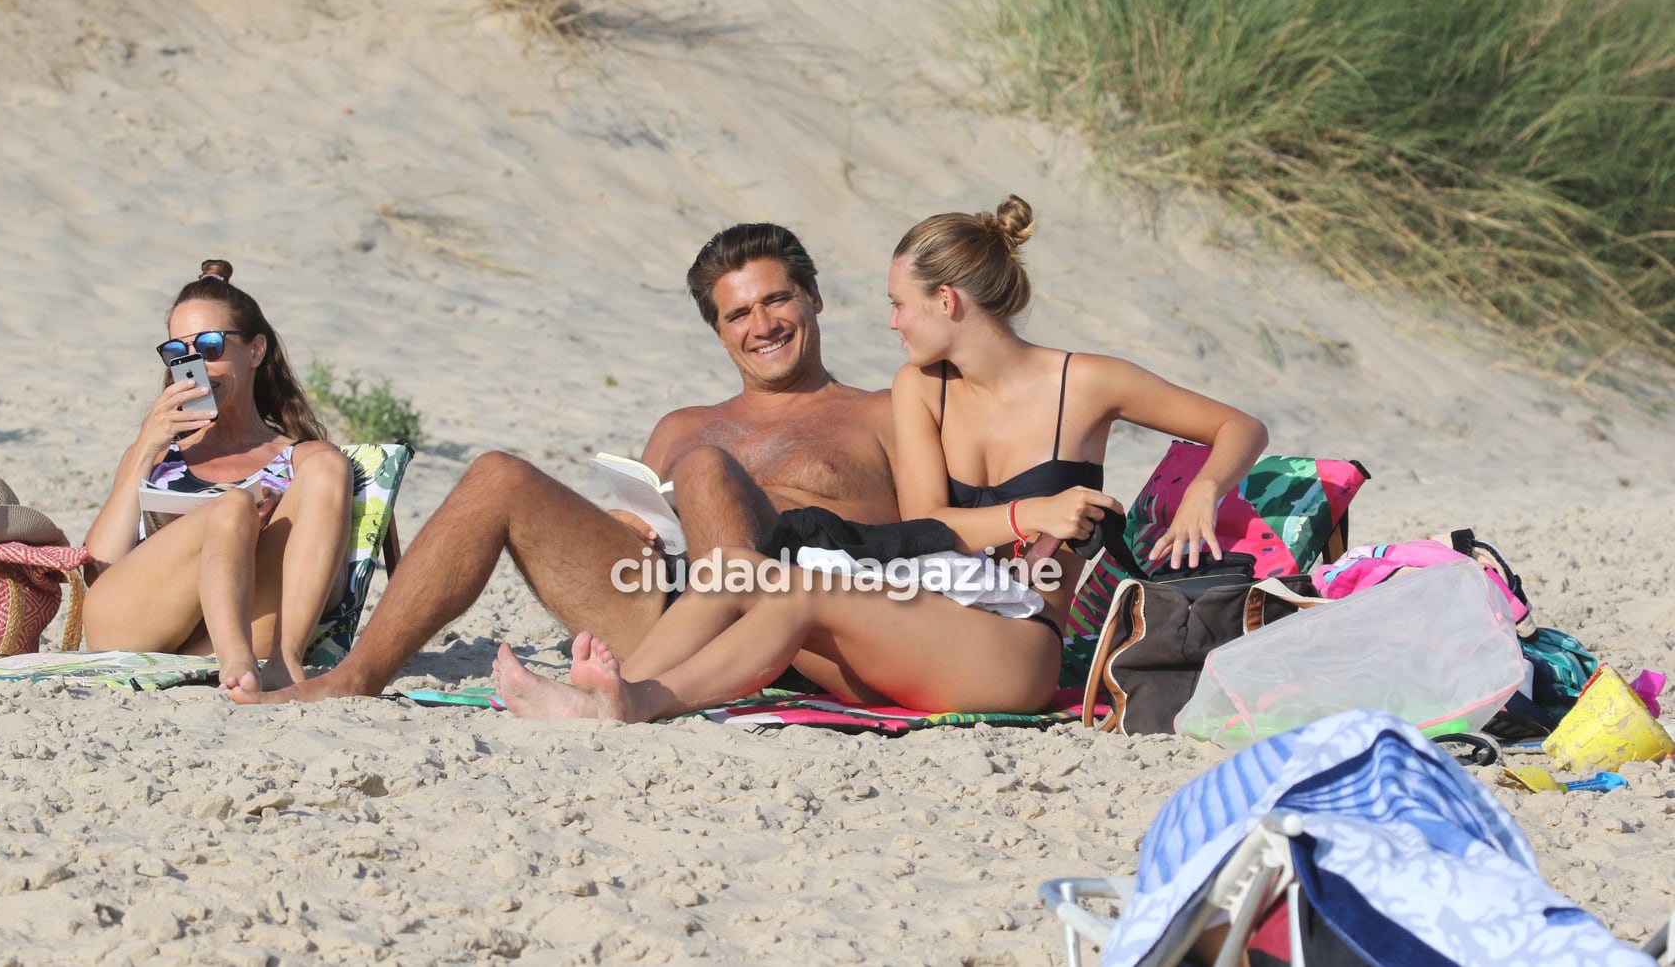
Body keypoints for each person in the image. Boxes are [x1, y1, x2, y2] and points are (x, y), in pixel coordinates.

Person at [491, 195, 1268, 722]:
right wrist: (1026, 513)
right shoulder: (920, 389)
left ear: (949, 302)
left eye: (901, 303)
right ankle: (608, 693)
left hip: (1018, 644)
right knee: (738, 570)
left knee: (801, 594)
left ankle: (639, 703)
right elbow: (926, 526)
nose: (891, 321)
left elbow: (1237, 424)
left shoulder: (1086, 381)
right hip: (931, 611)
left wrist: (1204, 491)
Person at [239, 223, 898, 704]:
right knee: (497, 474)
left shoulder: (881, 414)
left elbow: (938, 542)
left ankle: (661, 687)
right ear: (719, 329)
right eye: (739, 313)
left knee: (704, 469)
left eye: (777, 300)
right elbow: (638, 533)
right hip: (678, 624)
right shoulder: (684, 426)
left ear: (813, 295)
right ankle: (356, 675)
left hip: (809, 628)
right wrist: (629, 523)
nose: (764, 325)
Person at [82, 260, 354, 695]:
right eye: (178, 352)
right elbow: (97, 571)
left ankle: (278, 663)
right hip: (137, 628)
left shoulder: (303, 462)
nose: (195, 364)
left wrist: (260, 532)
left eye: (209, 346)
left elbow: (335, 587)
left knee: (325, 463)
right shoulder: (156, 454)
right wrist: (145, 448)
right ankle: (236, 660)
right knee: (231, 505)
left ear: (255, 351)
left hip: (250, 629)